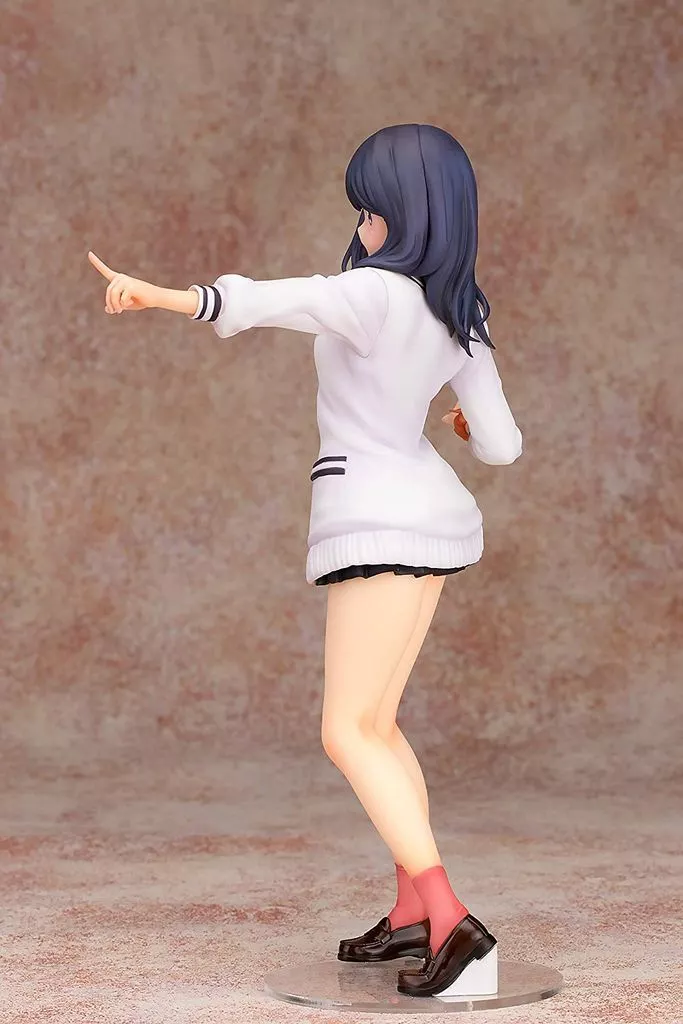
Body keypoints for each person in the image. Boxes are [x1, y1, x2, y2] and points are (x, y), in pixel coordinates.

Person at [88, 123, 522, 998]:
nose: (362, 225)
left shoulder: (371, 293)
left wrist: (161, 295)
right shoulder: (459, 316)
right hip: (432, 522)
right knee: (378, 724)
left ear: (405, 213)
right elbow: (502, 447)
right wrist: (456, 422)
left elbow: (267, 300)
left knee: (345, 731)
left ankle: (450, 921)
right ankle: (412, 912)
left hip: (375, 523)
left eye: (370, 210)